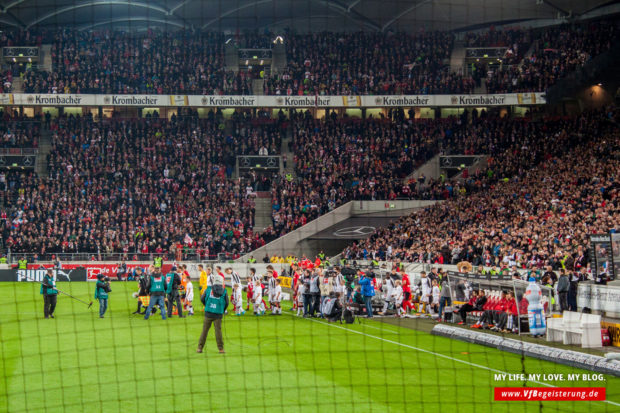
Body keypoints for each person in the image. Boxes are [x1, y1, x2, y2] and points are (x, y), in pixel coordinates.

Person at [197, 284, 229, 354]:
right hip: (218, 314)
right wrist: (222, 310)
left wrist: (207, 306)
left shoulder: (208, 289)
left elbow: (202, 299)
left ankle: (199, 348)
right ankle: (221, 349)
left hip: (208, 313)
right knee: (218, 331)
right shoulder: (224, 291)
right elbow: (227, 303)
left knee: (204, 331)